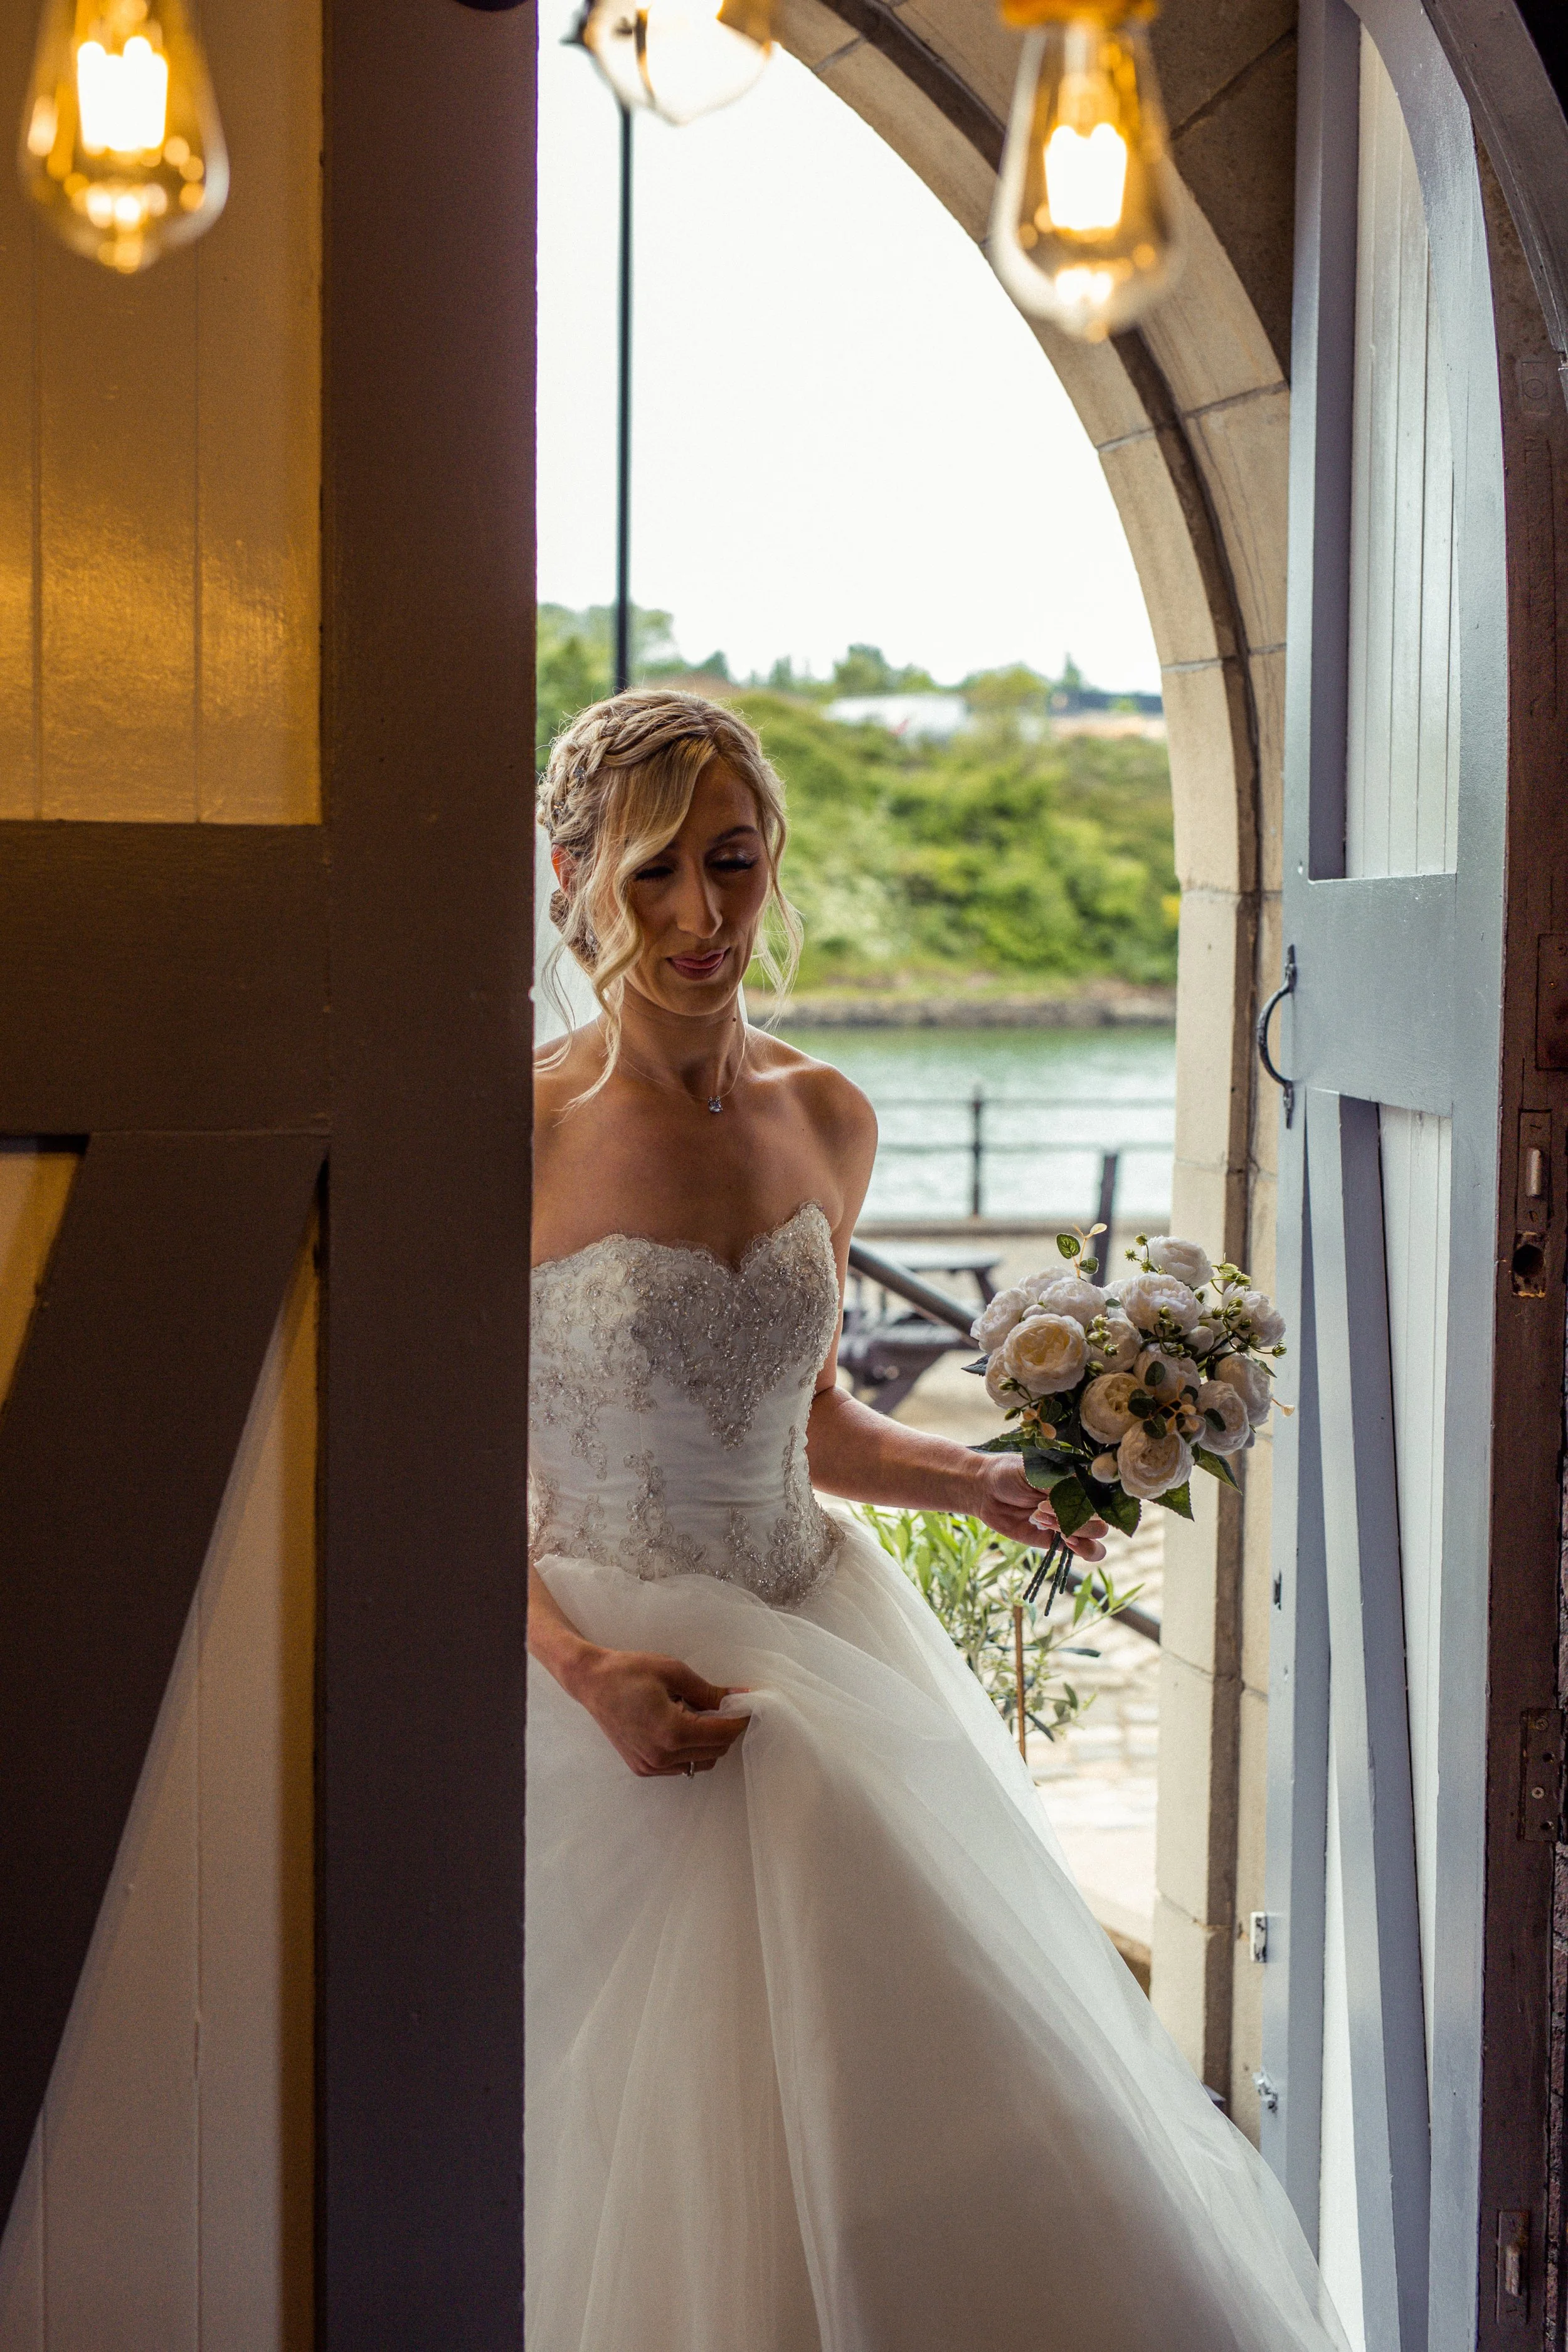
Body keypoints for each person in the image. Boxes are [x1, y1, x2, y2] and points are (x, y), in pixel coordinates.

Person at [526, 689, 1346, 2351]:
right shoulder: (507, 1129)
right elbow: (428, 1460)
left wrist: (975, 1476)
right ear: (573, 877)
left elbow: (807, 1415)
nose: (699, 916)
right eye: (653, 872)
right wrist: (579, 1666)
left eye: (734, 864)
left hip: (813, 1637)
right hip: (584, 1676)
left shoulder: (828, 1117)